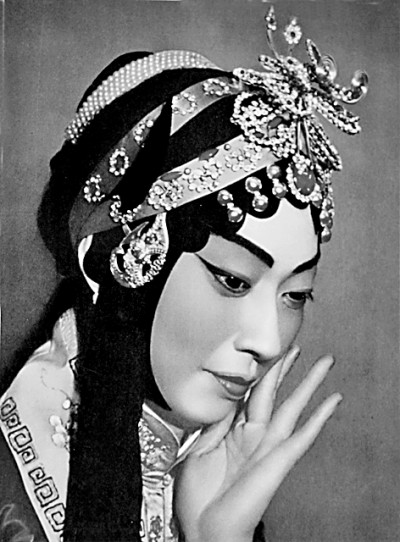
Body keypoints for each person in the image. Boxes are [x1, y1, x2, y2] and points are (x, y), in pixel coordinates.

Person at [0, 8, 368, 542]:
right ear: (132, 261)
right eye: (233, 280)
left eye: (296, 295)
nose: (268, 342)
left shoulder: (201, 475)